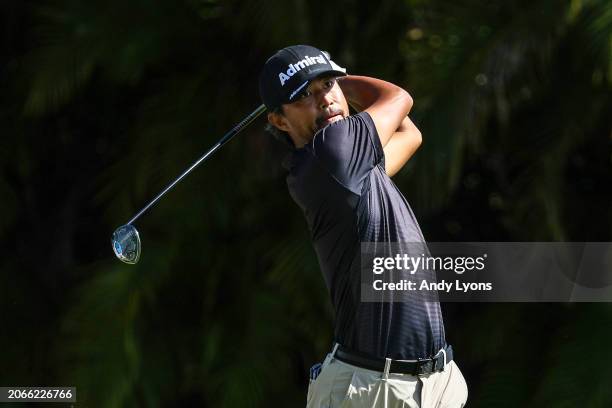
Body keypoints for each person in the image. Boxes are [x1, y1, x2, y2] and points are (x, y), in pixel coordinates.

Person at [259, 45, 468, 407]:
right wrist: (342, 83)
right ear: (278, 120)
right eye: (305, 95)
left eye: (328, 85)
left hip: (433, 384)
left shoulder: (347, 170)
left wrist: (322, 83)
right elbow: (398, 98)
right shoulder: (333, 153)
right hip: (375, 390)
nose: (324, 100)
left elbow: (410, 135)